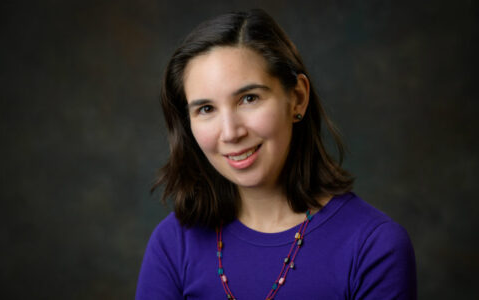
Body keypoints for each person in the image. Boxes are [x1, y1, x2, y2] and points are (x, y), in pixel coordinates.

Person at [136, 9, 417, 300]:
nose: (231, 132)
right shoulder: (173, 243)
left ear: (298, 98)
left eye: (249, 98)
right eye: (206, 109)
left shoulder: (375, 246)